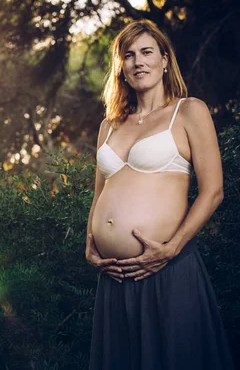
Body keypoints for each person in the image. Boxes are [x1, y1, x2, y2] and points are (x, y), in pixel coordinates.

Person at [85, 19, 234, 370]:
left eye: (147, 52)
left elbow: (213, 192)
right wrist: (89, 241)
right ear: (120, 68)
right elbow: (101, 191)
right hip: (115, 277)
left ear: (165, 59)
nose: (138, 61)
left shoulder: (189, 111)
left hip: (167, 270)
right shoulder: (109, 124)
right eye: (129, 55)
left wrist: (171, 248)